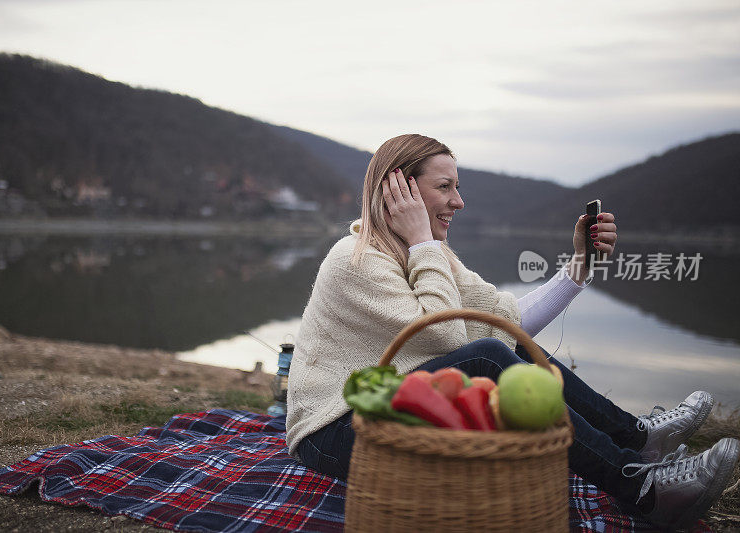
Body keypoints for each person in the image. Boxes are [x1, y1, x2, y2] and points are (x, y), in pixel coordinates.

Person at [285, 134, 738, 530]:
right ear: (398, 188)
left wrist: (579, 265)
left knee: (501, 344)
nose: (458, 202)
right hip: (333, 433)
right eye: (445, 187)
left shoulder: (429, 255)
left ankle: (638, 440)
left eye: (456, 188)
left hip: (383, 412)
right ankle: (644, 491)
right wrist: (425, 242)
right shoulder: (355, 259)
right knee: (484, 355)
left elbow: (509, 322)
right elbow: (440, 337)